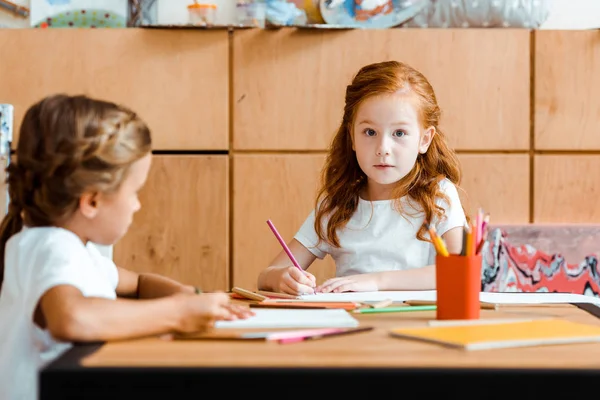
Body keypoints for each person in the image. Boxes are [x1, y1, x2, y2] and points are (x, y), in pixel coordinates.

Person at [0, 94, 253, 400]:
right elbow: (71, 318)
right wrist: (179, 312)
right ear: (92, 201)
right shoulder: (50, 247)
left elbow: (139, 283)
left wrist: (189, 295)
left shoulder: (76, 251)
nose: (137, 205)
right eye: (134, 192)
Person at [258, 60, 467, 295]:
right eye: (370, 132)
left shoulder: (439, 194)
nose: (383, 148)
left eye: (399, 133)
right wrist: (280, 277)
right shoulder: (337, 204)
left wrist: (376, 282)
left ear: (424, 140)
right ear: (352, 136)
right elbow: (268, 274)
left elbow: (458, 270)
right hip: (351, 323)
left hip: (415, 324)